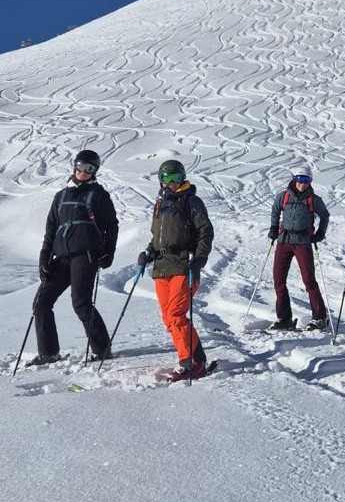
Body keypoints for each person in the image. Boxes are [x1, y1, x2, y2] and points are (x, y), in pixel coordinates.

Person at [29, 150, 119, 365]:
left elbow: (111, 226)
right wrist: (44, 257)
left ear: (95, 171)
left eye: (89, 169)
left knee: (81, 303)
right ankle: (49, 353)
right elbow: (51, 228)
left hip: (85, 256)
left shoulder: (98, 195)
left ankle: (102, 349)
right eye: (81, 166)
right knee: (41, 303)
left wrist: (109, 252)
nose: (83, 172)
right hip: (60, 258)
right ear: (74, 166)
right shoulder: (60, 196)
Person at [137, 160, 214, 381]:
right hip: (162, 267)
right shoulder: (160, 202)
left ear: (183, 178)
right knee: (168, 319)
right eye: (166, 179)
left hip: (183, 265)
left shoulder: (192, 201)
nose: (170, 183)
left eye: (175, 178)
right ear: (160, 180)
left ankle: (189, 364)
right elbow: (157, 236)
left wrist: (199, 259)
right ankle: (198, 359)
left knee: (176, 315)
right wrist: (148, 252)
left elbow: (205, 233)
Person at [268, 165, 330, 331]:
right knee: (278, 280)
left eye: (306, 180)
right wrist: (274, 227)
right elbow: (275, 210)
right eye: (300, 179)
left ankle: (320, 318)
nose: (303, 183)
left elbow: (325, 215)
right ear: (294, 179)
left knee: (309, 280)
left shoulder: (314, 199)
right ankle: (284, 318)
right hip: (284, 240)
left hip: (303, 241)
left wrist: (320, 233)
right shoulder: (284, 196)